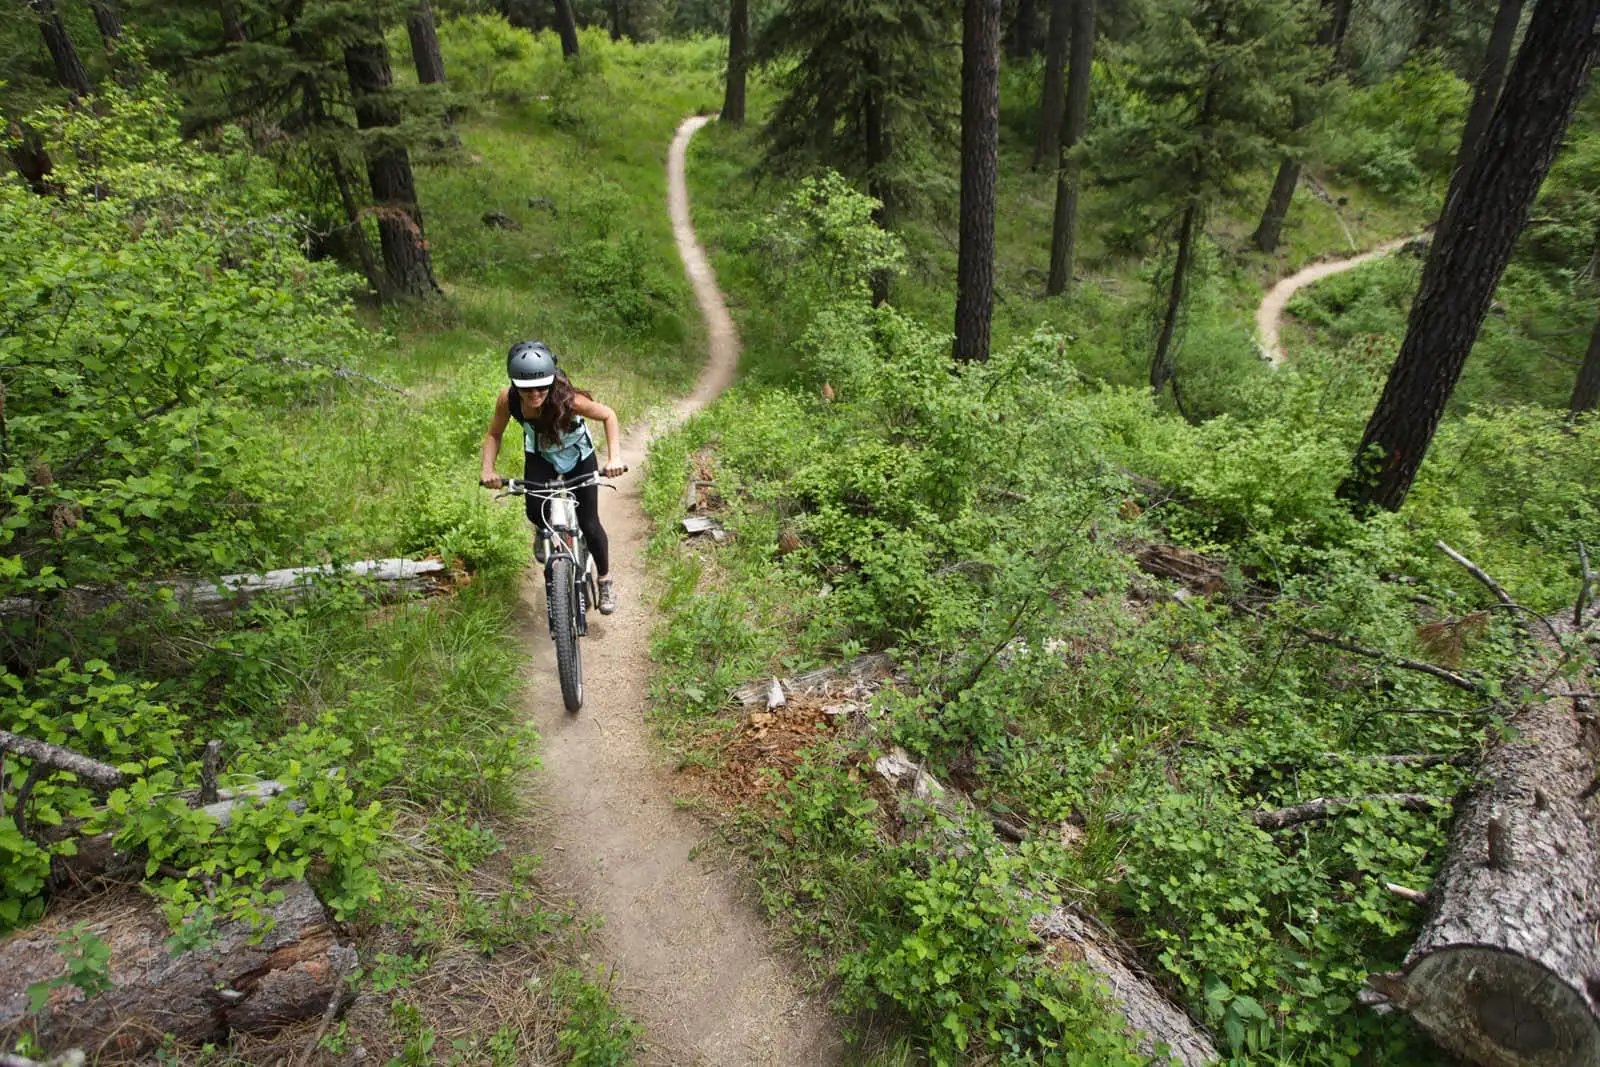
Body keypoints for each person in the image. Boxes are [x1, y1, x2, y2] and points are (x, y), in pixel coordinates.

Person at [480, 341, 625, 615]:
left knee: (590, 523)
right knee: (534, 509)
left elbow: (608, 415)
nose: (535, 394)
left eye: (541, 387)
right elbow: (493, 434)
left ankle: (604, 580)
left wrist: (614, 457)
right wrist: (488, 469)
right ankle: (543, 531)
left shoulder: (568, 399)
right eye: (526, 389)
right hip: (541, 455)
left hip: (578, 456)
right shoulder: (508, 399)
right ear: (515, 384)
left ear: (550, 382)